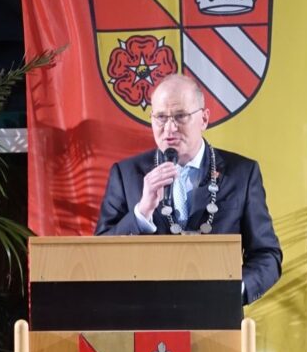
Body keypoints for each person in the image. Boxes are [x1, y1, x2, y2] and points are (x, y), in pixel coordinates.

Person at [94, 74, 282, 304]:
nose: (170, 128)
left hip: (216, 317)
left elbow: (267, 255)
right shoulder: (126, 174)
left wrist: (234, 290)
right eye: (161, 117)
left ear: (203, 119)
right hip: (144, 315)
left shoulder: (241, 173)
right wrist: (141, 213)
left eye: (180, 116)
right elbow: (100, 255)